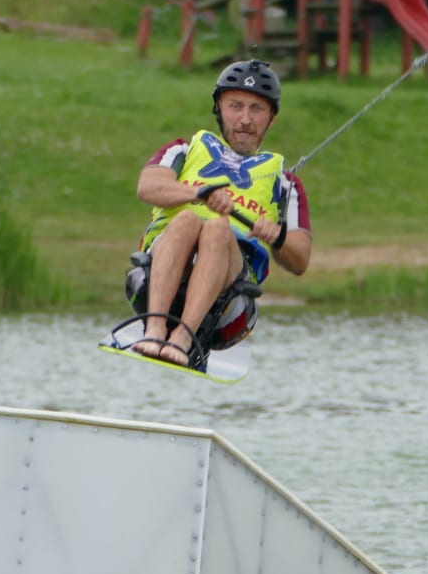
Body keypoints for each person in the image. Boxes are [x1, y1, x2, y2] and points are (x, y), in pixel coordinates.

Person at [129, 59, 311, 368]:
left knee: (217, 231)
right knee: (187, 218)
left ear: (272, 119)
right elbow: (148, 186)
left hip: (228, 304)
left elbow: (300, 258)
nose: (245, 119)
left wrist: (277, 235)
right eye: (235, 106)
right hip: (160, 271)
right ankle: (155, 328)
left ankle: (183, 339)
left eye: (257, 109)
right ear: (219, 109)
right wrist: (199, 193)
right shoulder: (183, 151)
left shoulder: (285, 183)